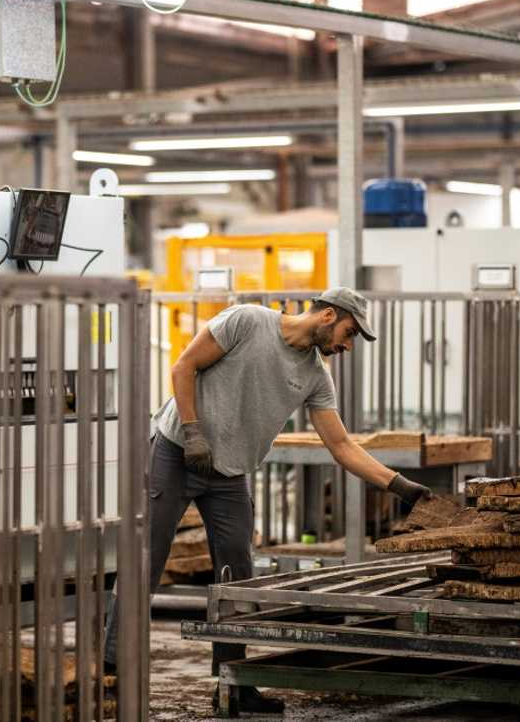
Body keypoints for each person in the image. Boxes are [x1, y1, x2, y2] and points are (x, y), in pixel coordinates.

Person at [104, 287, 432, 713]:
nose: (348, 346)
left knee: (238, 574)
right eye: (349, 334)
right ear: (329, 315)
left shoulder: (316, 375)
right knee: (146, 560)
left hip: (230, 473)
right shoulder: (247, 321)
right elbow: (184, 366)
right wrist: (192, 431)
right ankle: (112, 670)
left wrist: (400, 486)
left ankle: (234, 682)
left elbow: (341, 446)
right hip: (176, 452)